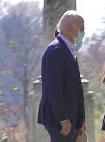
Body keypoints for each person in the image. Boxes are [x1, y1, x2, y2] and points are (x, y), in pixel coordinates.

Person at [38, 10, 87, 142]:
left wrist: (81, 119)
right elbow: (54, 90)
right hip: (59, 121)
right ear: (70, 28)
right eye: (81, 28)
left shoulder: (70, 50)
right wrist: (63, 119)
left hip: (72, 119)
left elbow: (77, 88)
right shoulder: (56, 50)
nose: (83, 32)